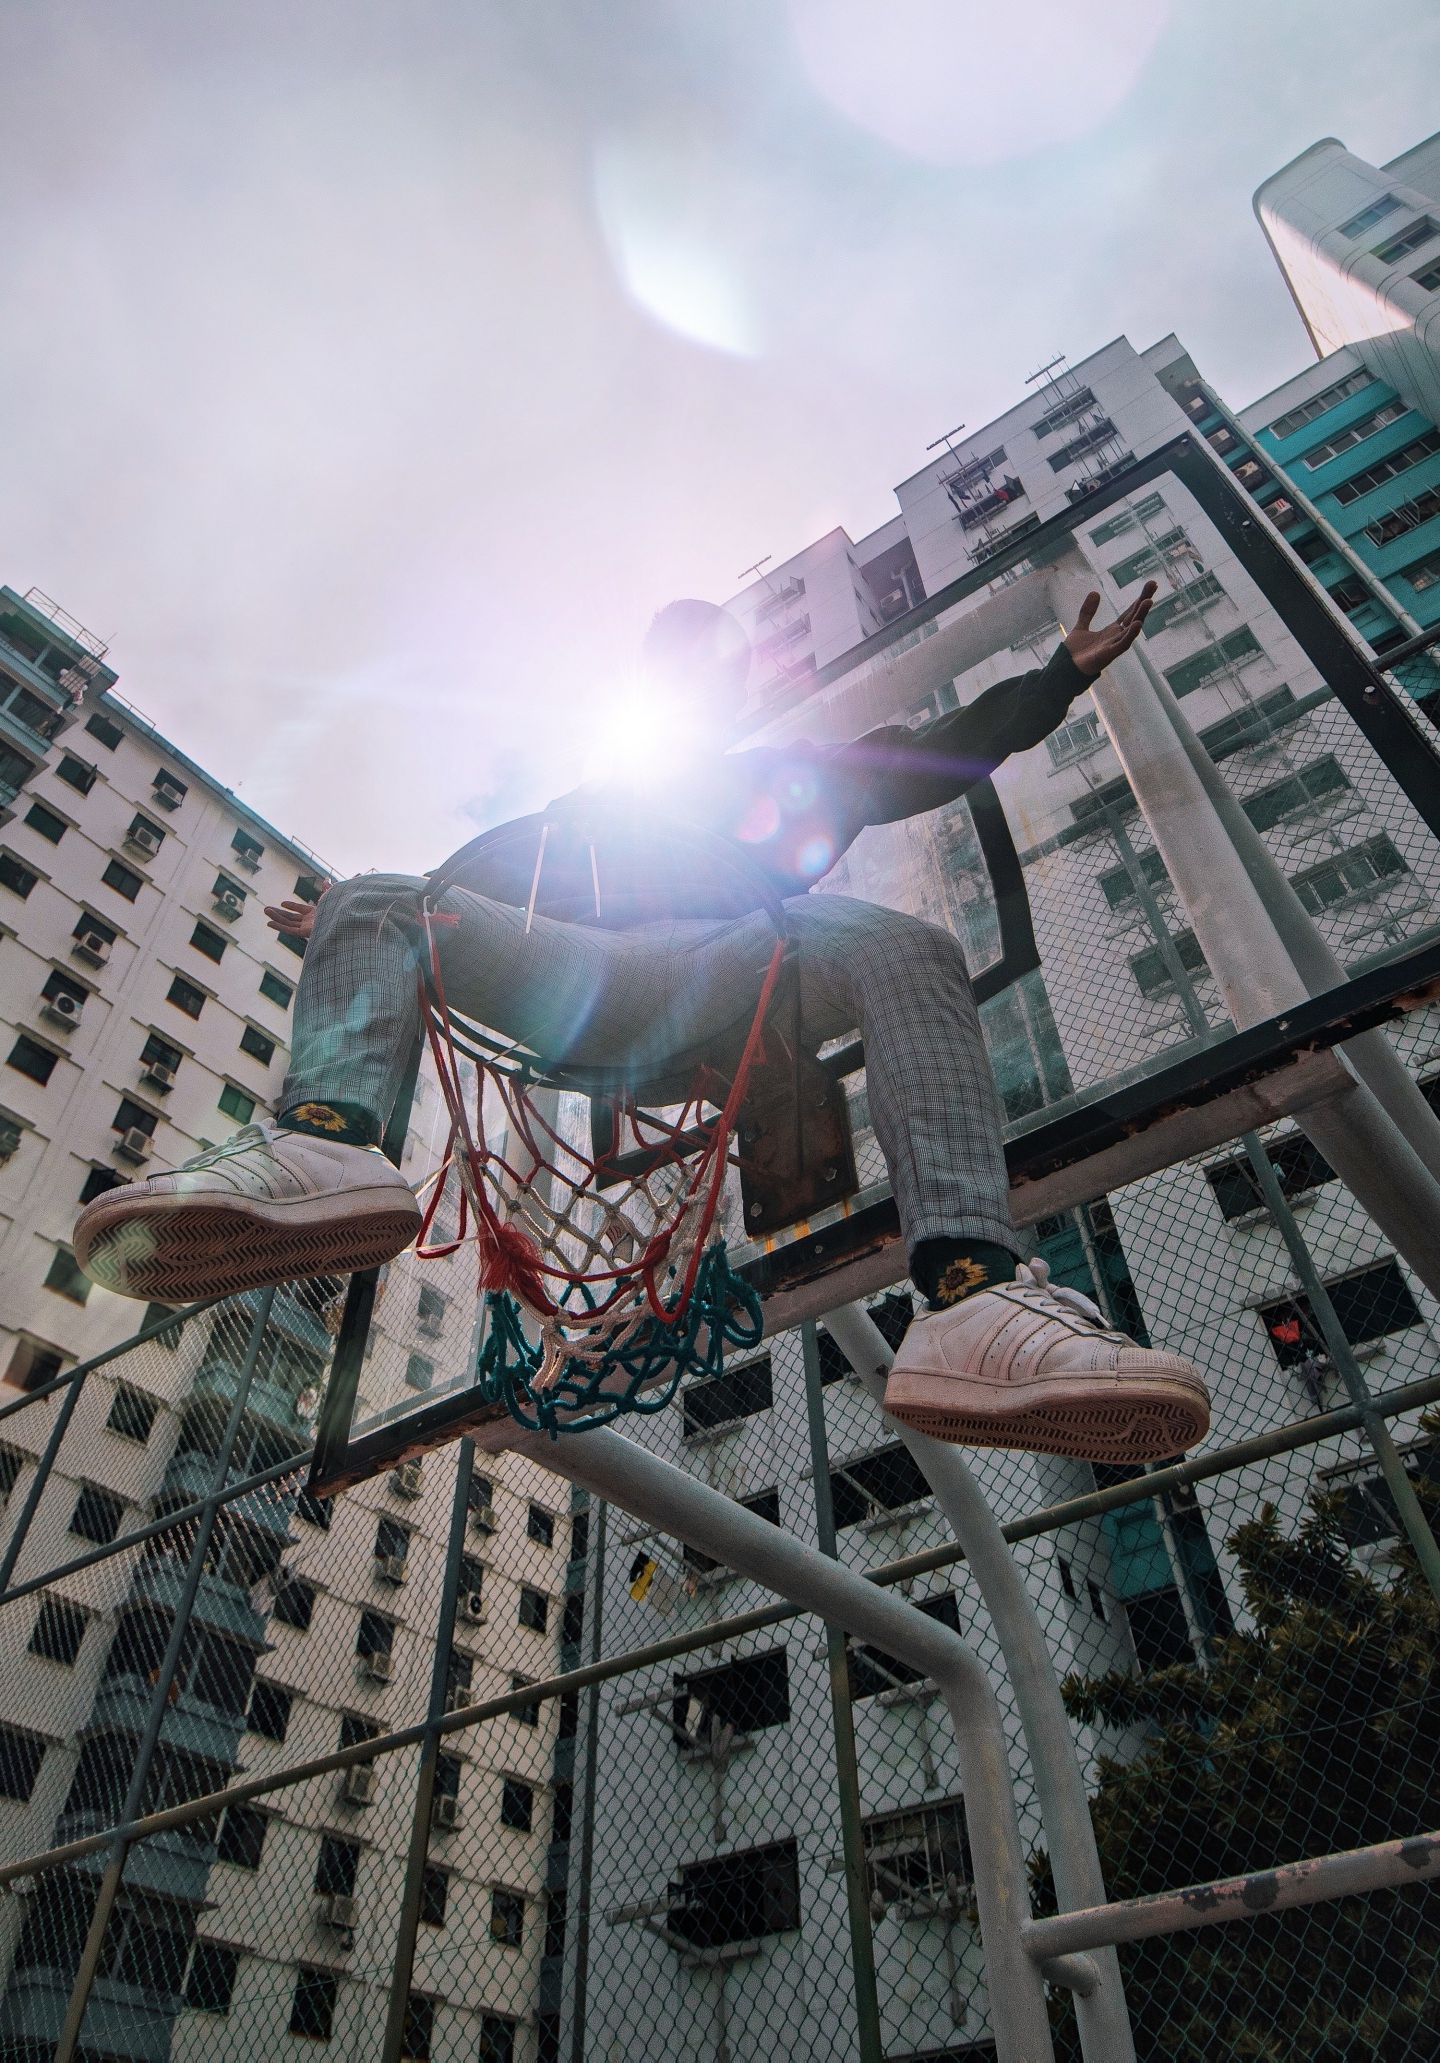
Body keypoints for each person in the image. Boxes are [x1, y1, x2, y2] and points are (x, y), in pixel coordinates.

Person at [73, 585, 1208, 1463]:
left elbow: (926, 761)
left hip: (730, 968)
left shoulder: (783, 774)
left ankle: (969, 1295)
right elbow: (440, 892)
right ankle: (328, 1142)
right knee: (379, 895)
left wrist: (1055, 679)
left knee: (906, 945)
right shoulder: (584, 810)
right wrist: (343, 917)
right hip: (580, 983)